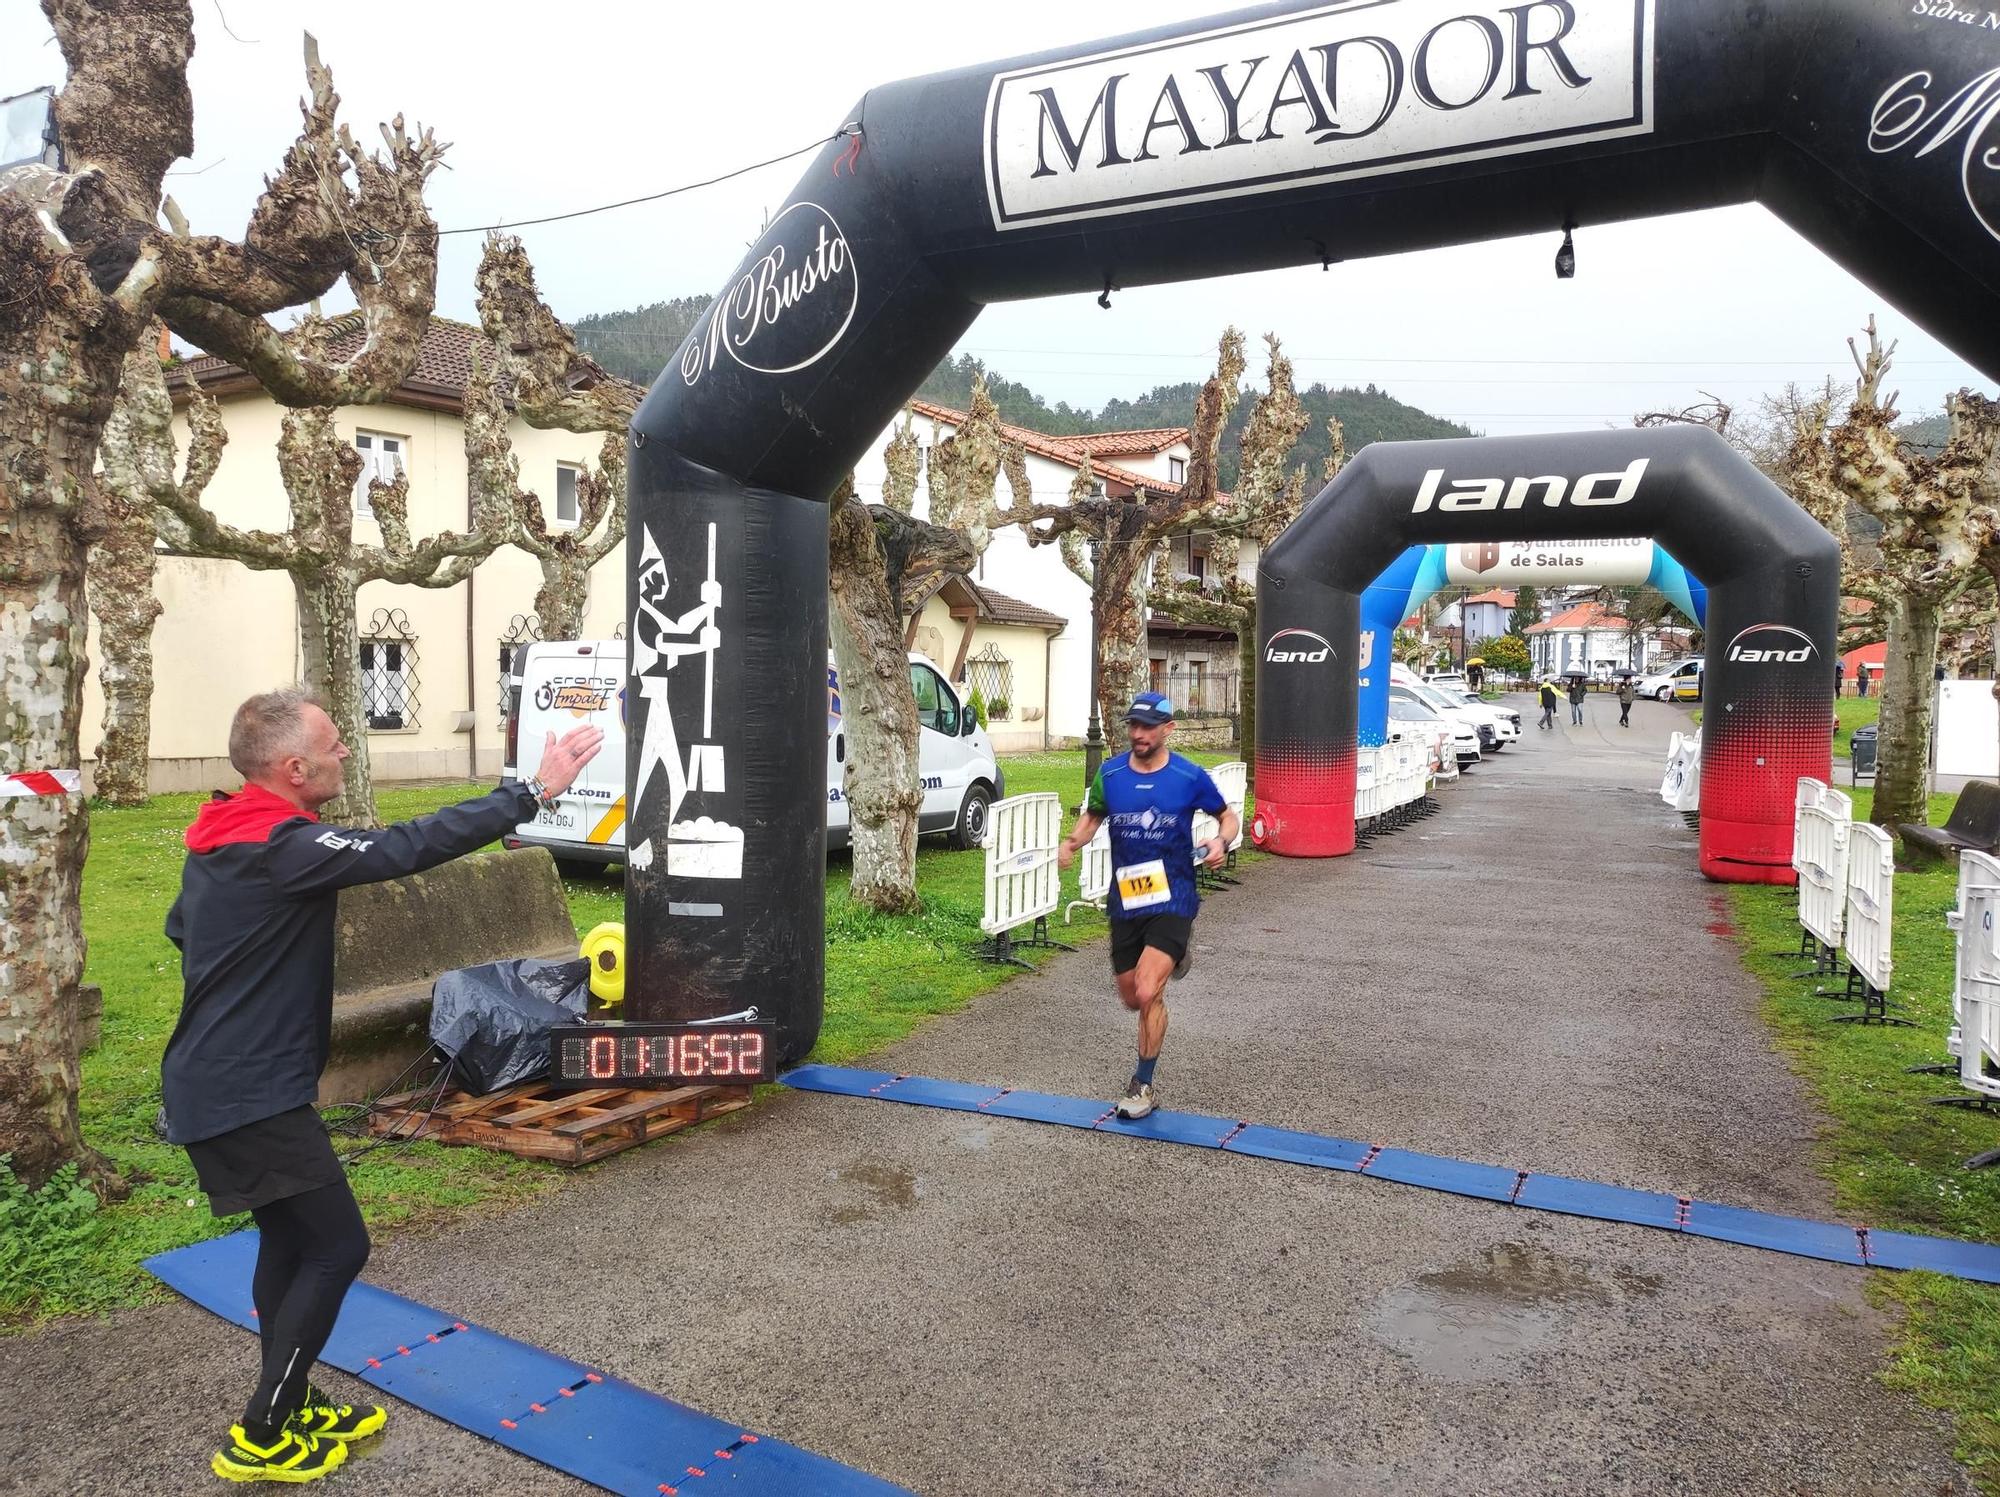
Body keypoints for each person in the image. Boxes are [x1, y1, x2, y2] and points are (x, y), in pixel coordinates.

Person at [163, 689, 602, 1484]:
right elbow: (407, 845)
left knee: (290, 1239)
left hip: (225, 1080)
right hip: (244, 1092)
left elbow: (181, 927)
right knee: (338, 1243)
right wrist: (532, 791)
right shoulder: (284, 847)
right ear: (294, 768)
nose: (345, 750)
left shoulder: (223, 836)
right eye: (334, 744)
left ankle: (289, 1398)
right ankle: (262, 1427)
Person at [1057, 691, 1236, 1120]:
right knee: (1131, 998)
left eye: (1147, 727)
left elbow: (1227, 816)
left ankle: (1143, 1084)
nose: (1138, 734)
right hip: (1127, 898)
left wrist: (1221, 840)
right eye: (1133, 726)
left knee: (1147, 988)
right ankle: (1171, 960)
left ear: (1167, 729)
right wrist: (1073, 841)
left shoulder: (1188, 776)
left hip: (1174, 895)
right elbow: (1094, 814)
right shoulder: (1111, 773)